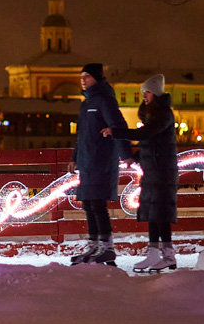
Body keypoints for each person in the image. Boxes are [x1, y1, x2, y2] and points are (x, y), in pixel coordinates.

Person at [103, 74, 179, 272]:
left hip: (163, 172)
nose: (144, 96)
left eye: (147, 92)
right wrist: (133, 158)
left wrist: (116, 132)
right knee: (153, 213)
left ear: (155, 93)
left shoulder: (163, 114)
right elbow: (149, 144)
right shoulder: (153, 115)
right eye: (143, 92)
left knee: (160, 213)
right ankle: (154, 253)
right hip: (153, 171)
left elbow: (146, 135)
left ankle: (168, 255)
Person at [69, 63, 131, 265]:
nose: (83, 80)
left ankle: (107, 247)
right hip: (87, 162)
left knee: (97, 203)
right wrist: (74, 158)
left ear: (97, 78)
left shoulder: (105, 100)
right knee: (87, 202)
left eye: (87, 76)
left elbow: (118, 126)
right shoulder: (86, 103)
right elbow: (81, 135)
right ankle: (94, 246)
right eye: (81, 76)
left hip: (101, 160)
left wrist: (126, 154)